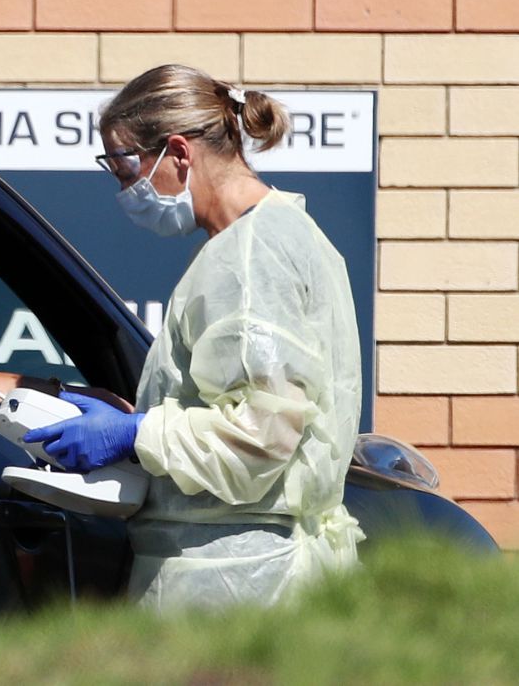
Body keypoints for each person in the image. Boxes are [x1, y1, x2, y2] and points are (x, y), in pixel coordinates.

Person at [23, 64, 364, 612]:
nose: (123, 188)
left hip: (238, 581)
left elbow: (263, 434)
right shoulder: (284, 234)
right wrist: (139, 416)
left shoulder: (250, 257)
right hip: (257, 572)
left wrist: (134, 434)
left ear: (179, 153)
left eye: (125, 167)